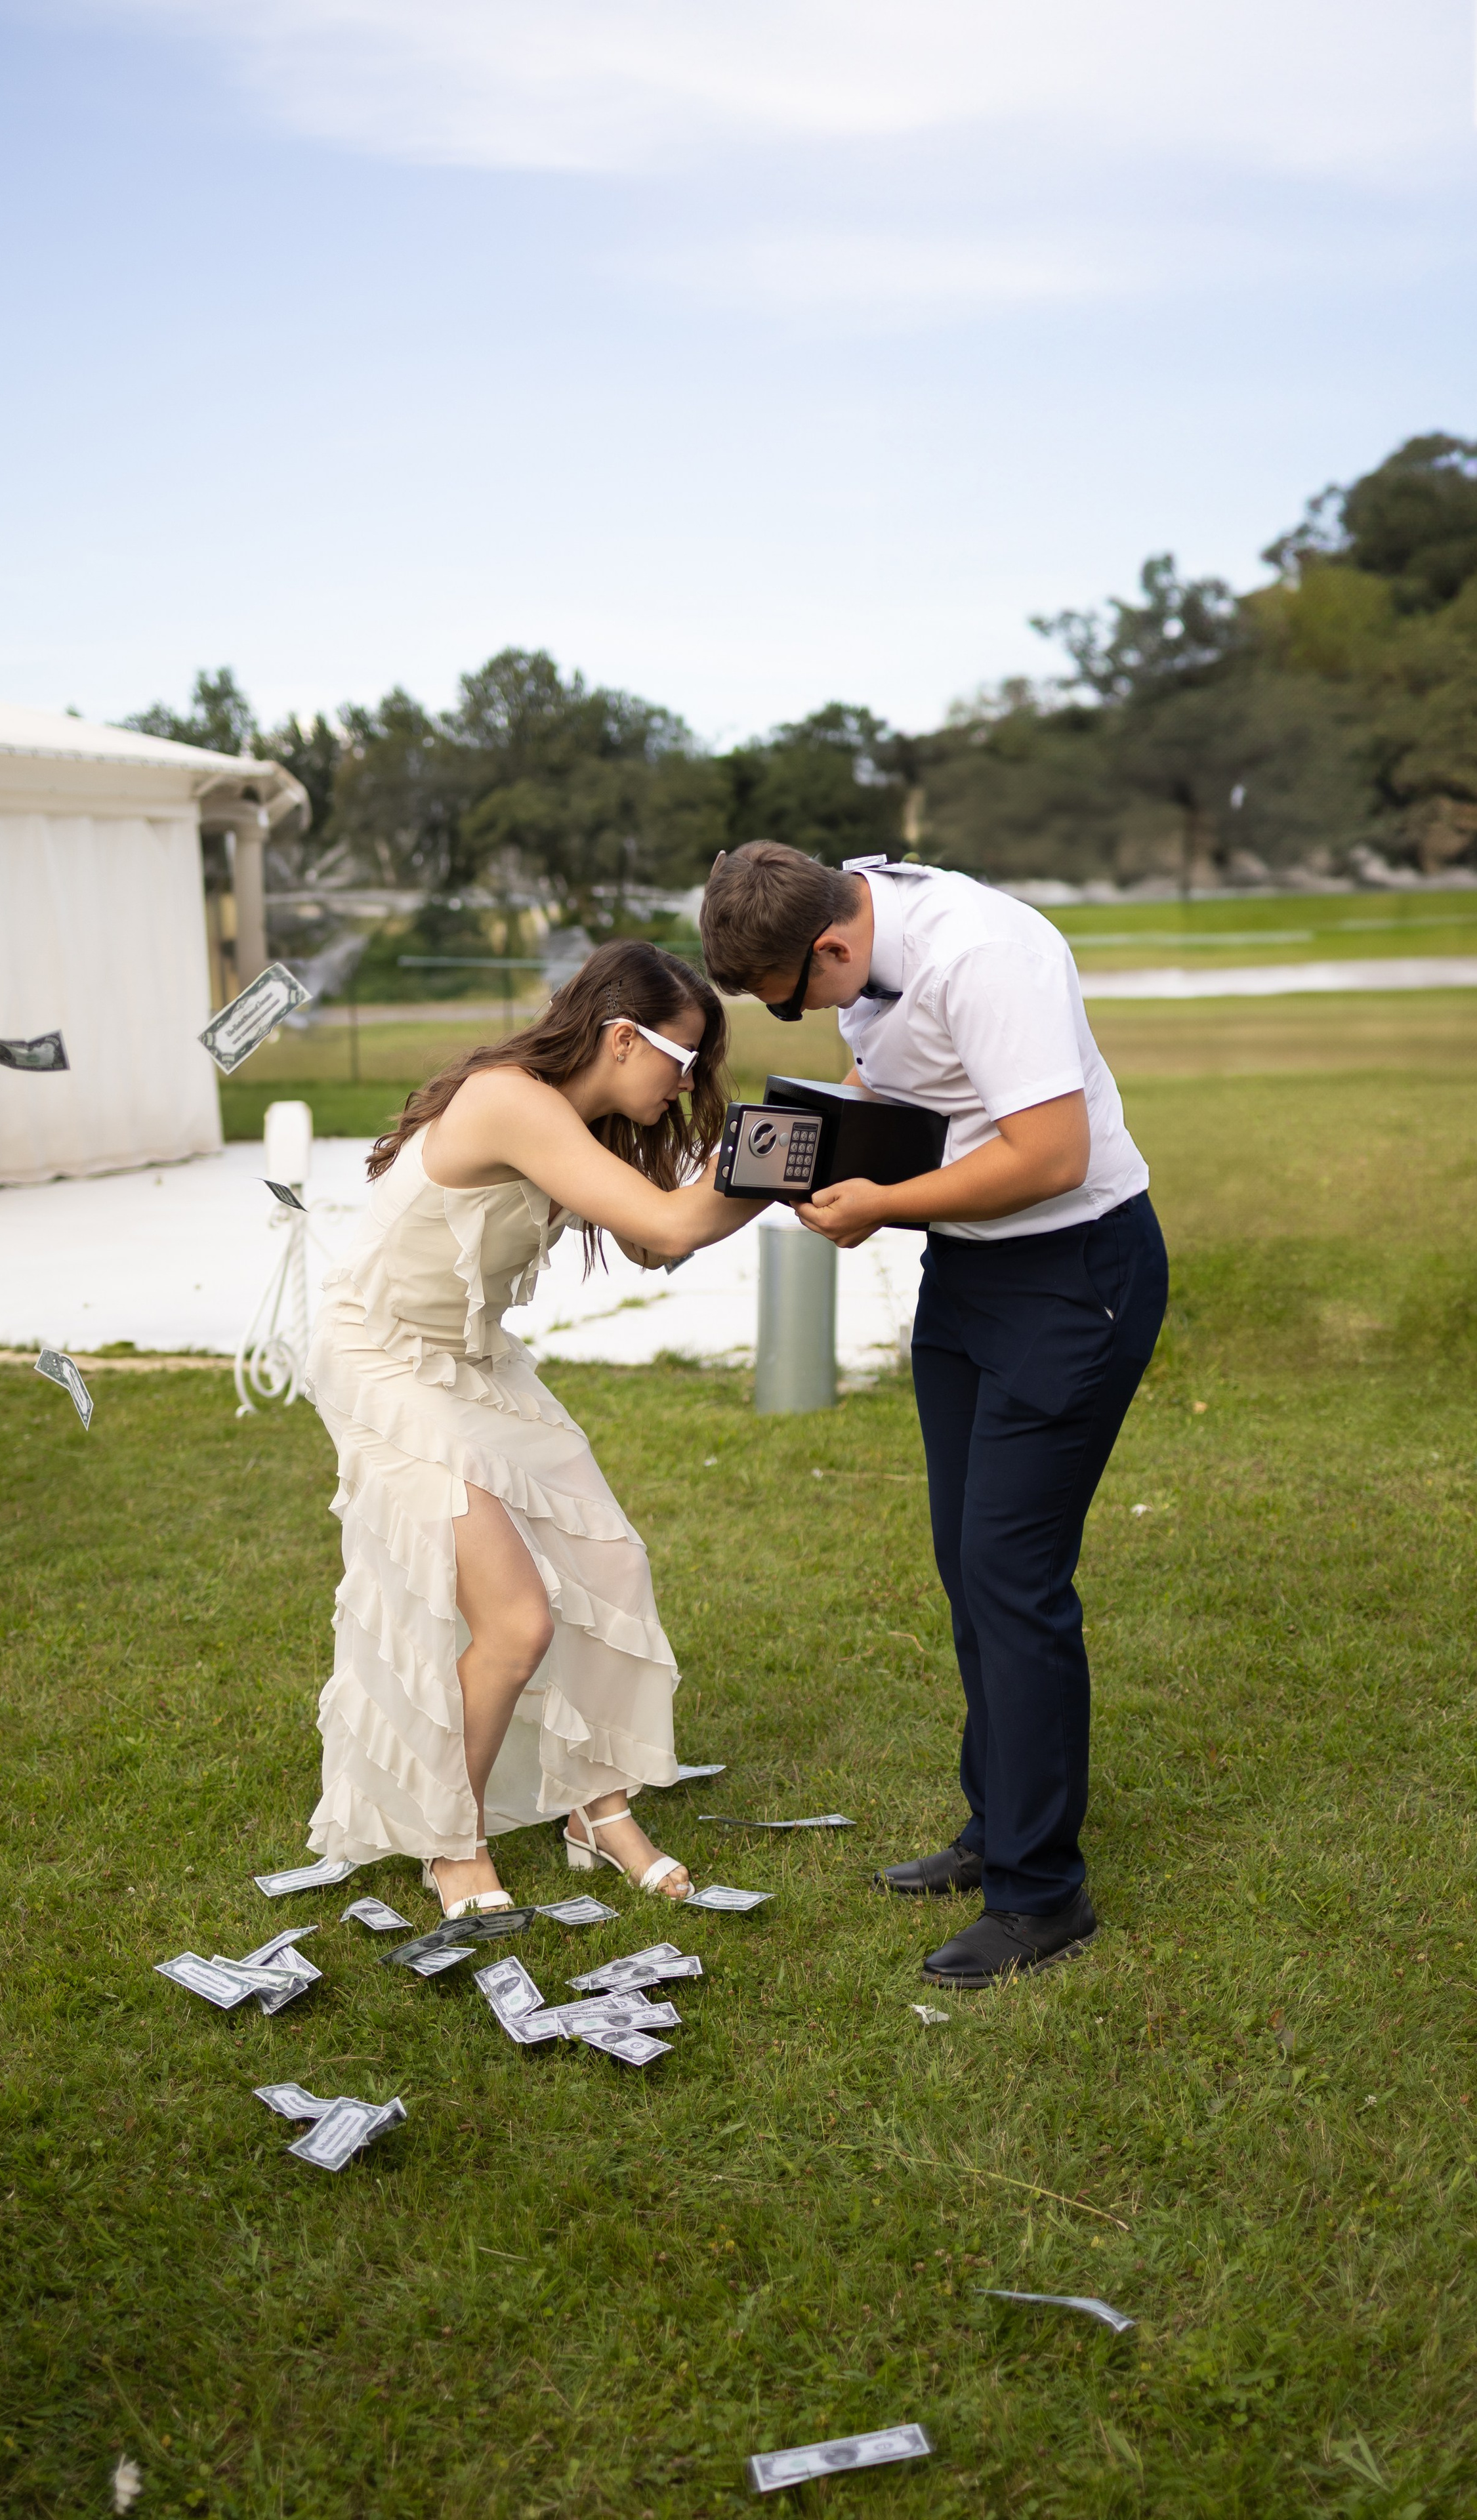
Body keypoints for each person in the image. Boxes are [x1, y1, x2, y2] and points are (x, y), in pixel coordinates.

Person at [700, 843, 1167, 1988]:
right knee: (968, 1562)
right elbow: (883, 1093)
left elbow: (1050, 1156)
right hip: (968, 1277)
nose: (805, 1019)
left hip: (1072, 1275)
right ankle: (996, 1824)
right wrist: (773, 1160)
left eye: (794, 998)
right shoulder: (855, 934)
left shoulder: (985, 955)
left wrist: (885, 1207)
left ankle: (1041, 1895)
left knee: (1014, 1577)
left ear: (835, 946)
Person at [302, 939, 763, 1920]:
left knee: (608, 1567)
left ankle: (597, 1811)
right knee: (516, 1621)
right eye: (683, 1063)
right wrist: (780, 1169)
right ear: (623, 1037)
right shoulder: (513, 1100)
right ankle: (448, 1836)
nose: (688, 1088)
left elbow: (650, 1240)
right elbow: (673, 1228)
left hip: (471, 1363)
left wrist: (775, 1172)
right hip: (383, 1359)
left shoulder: (585, 1117)